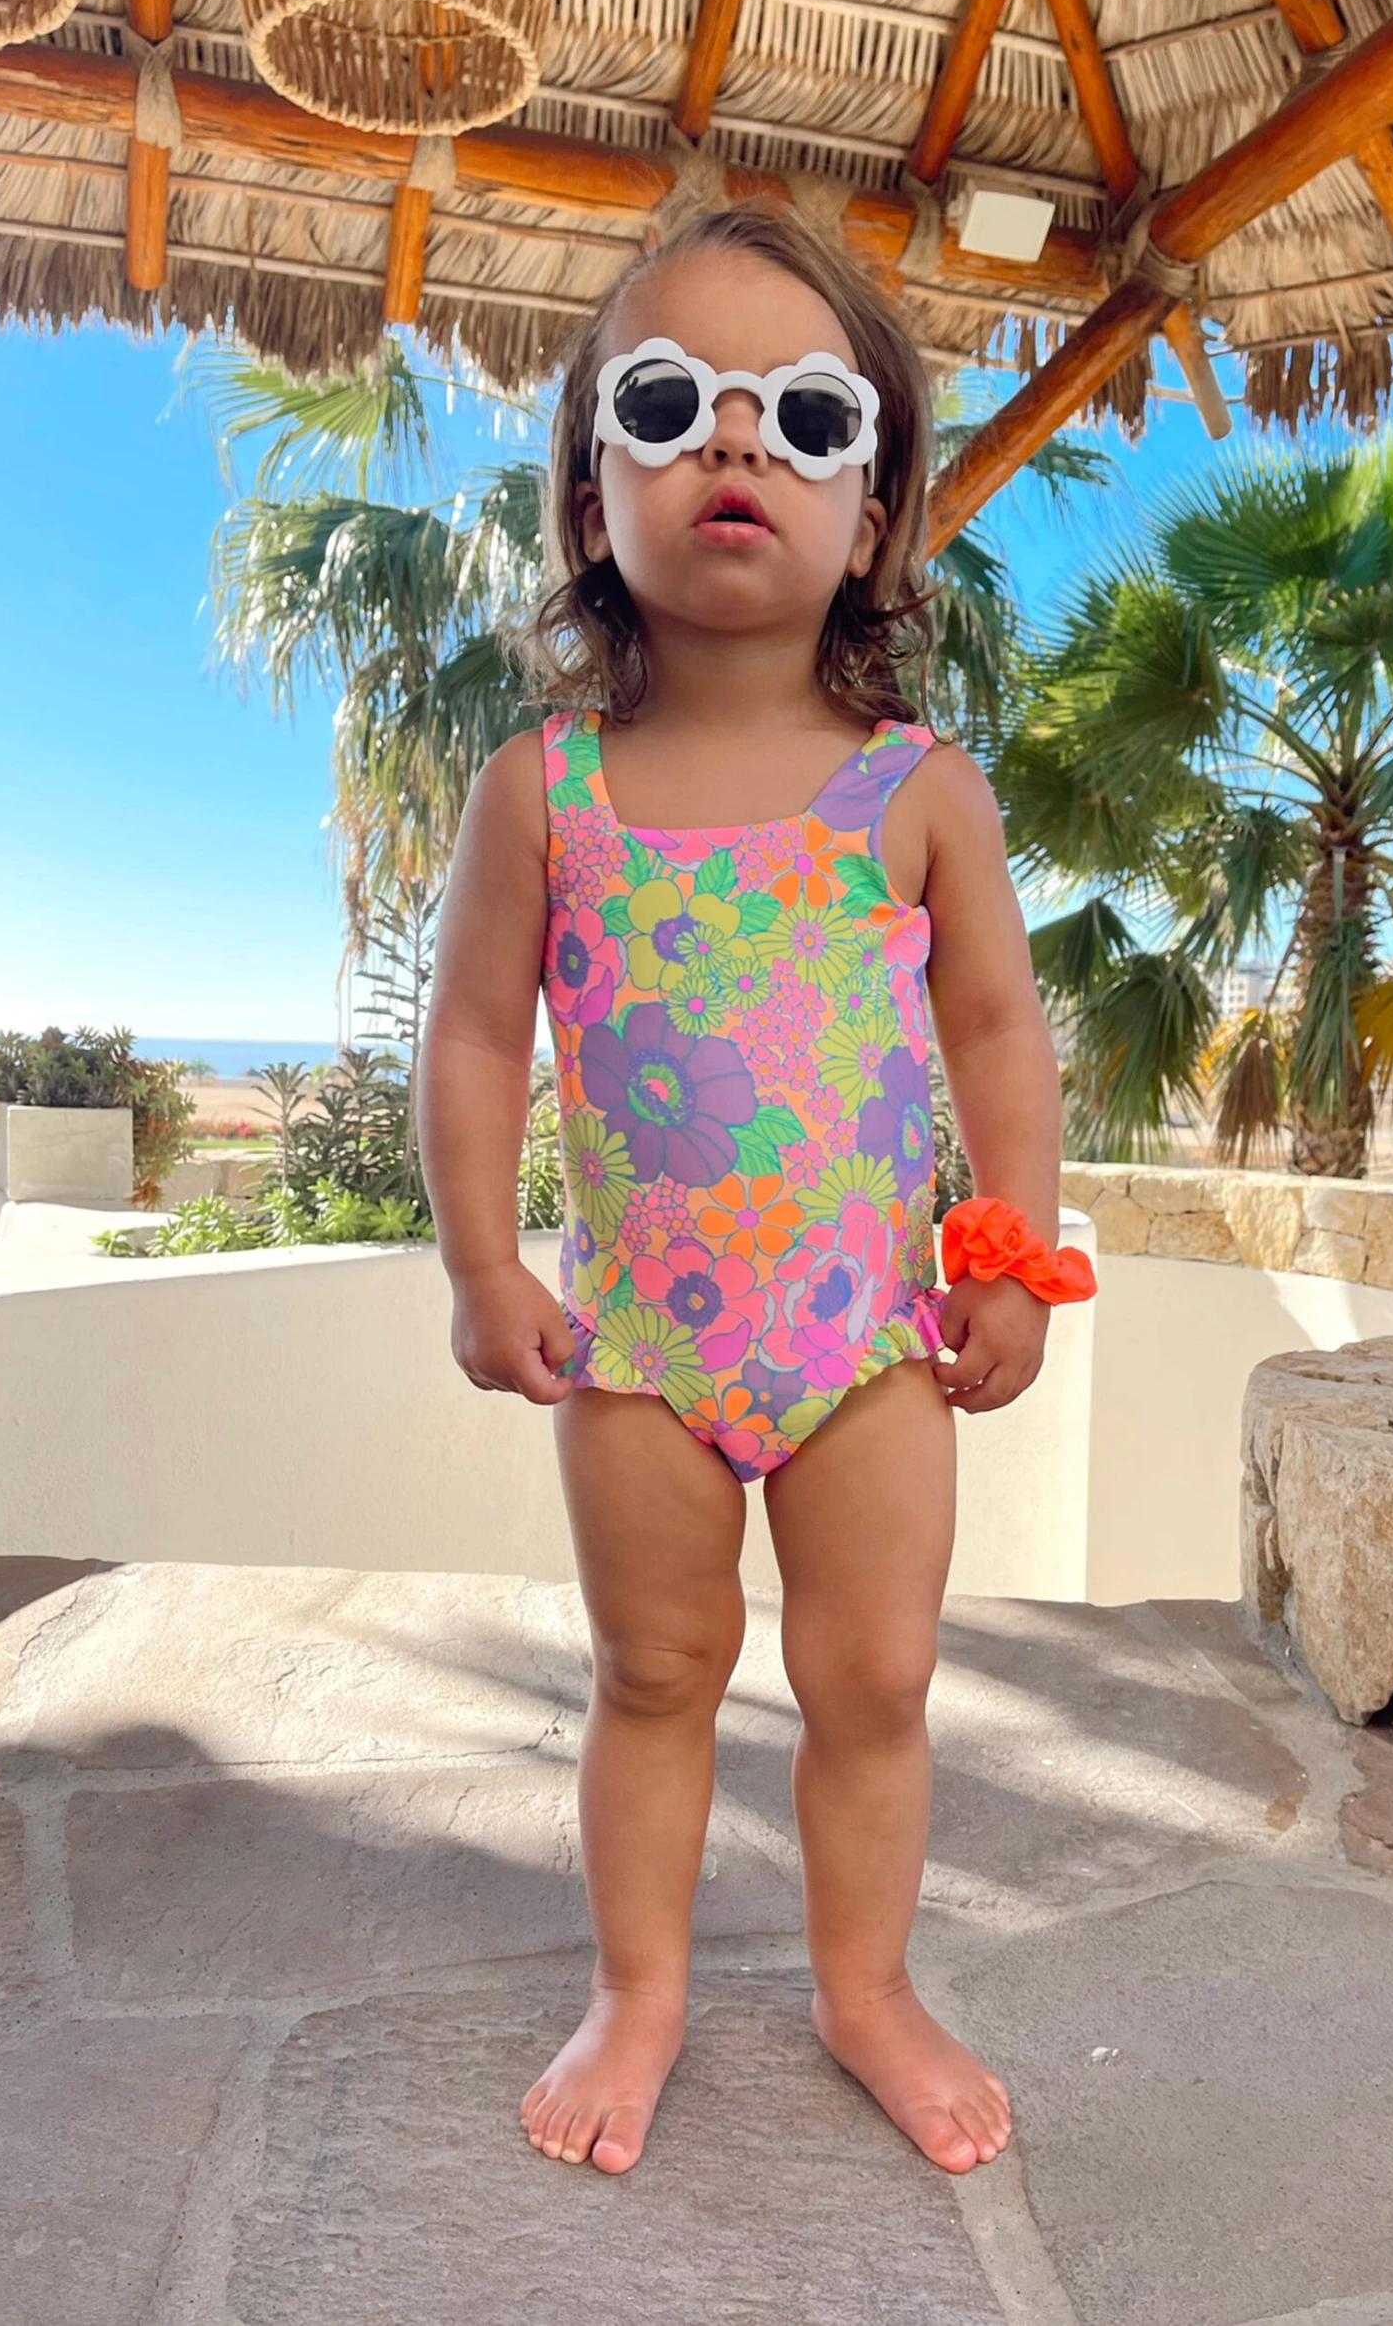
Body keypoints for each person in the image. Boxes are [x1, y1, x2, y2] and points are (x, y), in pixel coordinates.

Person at [418, 203, 1092, 2181]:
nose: (735, 441)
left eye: (805, 415)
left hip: (865, 1337)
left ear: (872, 517)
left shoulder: (919, 789)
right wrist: (480, 1263)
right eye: (669, 402)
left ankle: (863, 1987)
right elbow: (474, 1037)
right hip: (638, 1341)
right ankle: (637, 1989)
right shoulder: (542, 792)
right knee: (653, 1671)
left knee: (875, 1676)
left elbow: (998, 1035)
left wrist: (1013, 1255)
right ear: (591, 492)